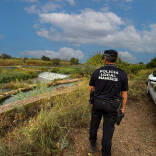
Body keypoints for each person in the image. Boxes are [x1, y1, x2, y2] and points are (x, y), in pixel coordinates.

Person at [88, 49, 128, 156]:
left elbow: (91, 89)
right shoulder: (122, 74)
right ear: (115, 59)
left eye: (104, 58)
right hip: (112, 106)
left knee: (94, 125)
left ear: (106, 59)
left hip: (97, 103)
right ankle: (105, 153)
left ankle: (92, 145)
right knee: (108, 131)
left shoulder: (97, 72)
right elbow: (124, 95)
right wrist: (122, 109)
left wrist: (91, 101)